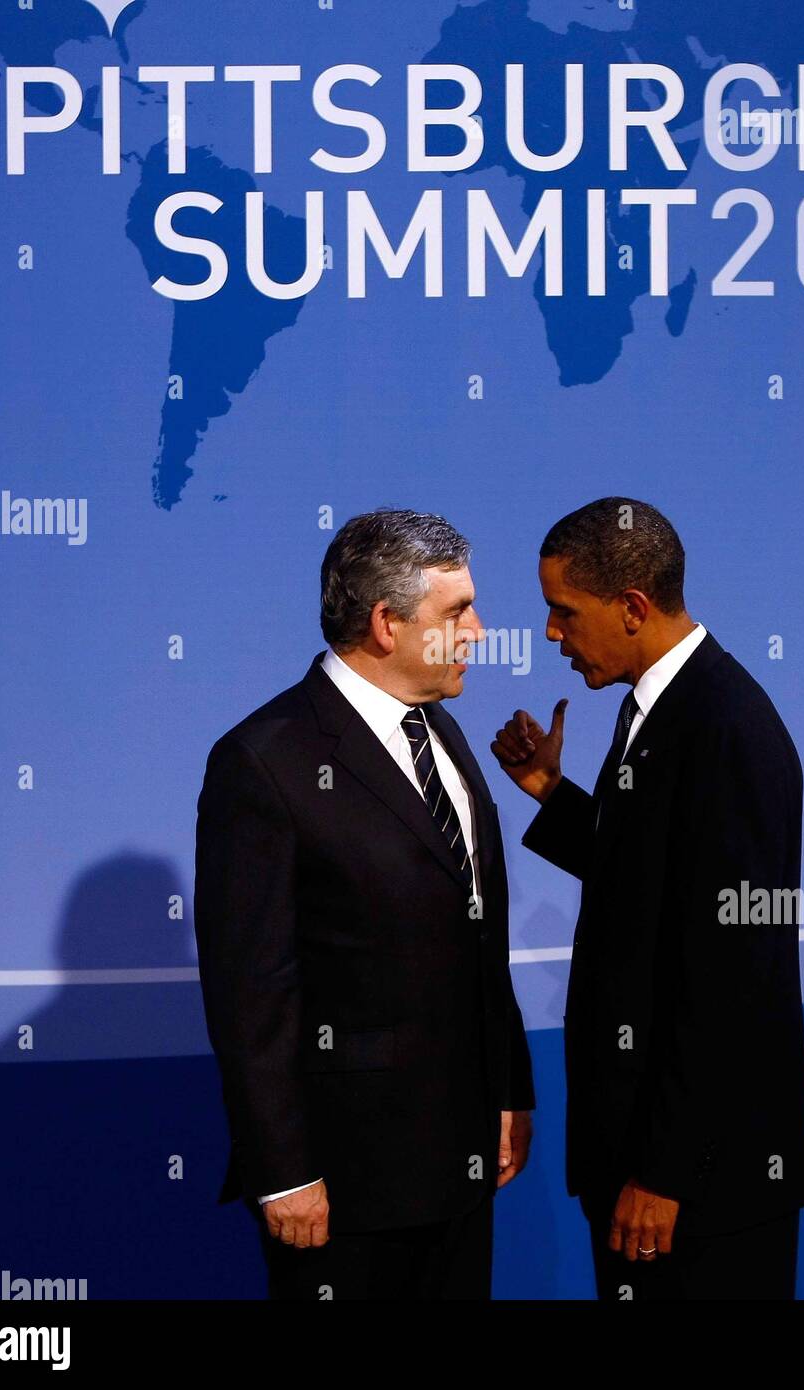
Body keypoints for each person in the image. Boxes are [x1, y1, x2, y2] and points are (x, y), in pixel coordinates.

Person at [195, 508, 534, 1300]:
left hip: (462, 1170)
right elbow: (252, 992)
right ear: (386, 623)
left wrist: (508, 1092)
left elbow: (480, 940)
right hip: (346, 1185)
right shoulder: (264, 760)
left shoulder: (443, 733)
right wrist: (282, 1174)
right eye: (458, 612)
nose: (480, 632)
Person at [491, 497, 804, 1300]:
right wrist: (552, 794)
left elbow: (731, 977)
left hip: (698, 1190)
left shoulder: (727, 728)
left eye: (564, 612)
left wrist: (665, 1174)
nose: (551, 635)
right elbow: (652, 885)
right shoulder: (660, 710)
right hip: (649, 1167)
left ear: (632, 608)